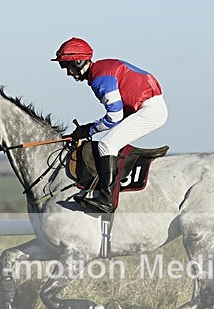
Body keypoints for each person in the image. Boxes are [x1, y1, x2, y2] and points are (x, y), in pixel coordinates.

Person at [52, 37, 168, 213]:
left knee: (107, 144)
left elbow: (114, 117)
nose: (67, 72)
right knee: (111, 140)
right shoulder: (101, 70)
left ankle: (106, 199)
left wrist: (88, 129)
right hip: (147, 107)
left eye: (65, 66)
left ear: (77, 62)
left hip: (149, 110)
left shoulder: (100, 78)